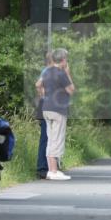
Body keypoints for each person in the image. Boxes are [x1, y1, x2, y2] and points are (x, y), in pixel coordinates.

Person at [36, 48, 75, 180]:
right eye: (66, 59)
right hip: (58, 109)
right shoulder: (61, 73)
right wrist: (68, 73)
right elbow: (71, 90)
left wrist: (44, 95)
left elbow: (38, 84)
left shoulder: (47, 71)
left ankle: (50, 170)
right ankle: (53, 170)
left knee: (50, 139)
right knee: (57, 139)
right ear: (63, 60)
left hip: (46, 108)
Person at [35, 51, 53, 179]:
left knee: (48, 137)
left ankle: (47, 167)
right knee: (47, 138)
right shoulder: (48, 70)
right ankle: (43, 168)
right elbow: (38, 85)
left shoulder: (47, 70)